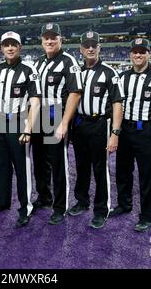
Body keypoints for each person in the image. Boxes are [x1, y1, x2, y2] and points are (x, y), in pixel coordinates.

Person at [56, 31, 124, 229]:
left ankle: (101, 210)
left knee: (100, 168)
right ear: (81, 49)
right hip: (79, 124)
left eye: (94, 45)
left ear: (100, 48)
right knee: (81, 166)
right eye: (87, 46)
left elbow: (118, 104)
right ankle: (82, 201)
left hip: (99, 124)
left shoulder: (110, 73)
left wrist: (115, 133)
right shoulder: (76, 71)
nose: (91, 48)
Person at [109, 38, 151, 232]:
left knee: (146, 175)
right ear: (130, 54)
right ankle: (124, 204)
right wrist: (115, 132)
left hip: (145, 130)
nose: (138, 55)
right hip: (124, 131)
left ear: (149, 54)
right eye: (135, 51)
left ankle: (147, 214)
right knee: (122, 171)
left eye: (142, 51)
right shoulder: (121, 77)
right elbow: (117, 106)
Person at [0, 31, 41, 227]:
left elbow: (35, 101)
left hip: (19, 123)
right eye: (6, 44)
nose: (9, 48)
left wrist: (28, 128)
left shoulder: (28, 70)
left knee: (22, 168)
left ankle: (25, 208)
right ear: (1, 48)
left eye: (13, 44)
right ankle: (2, 202)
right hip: (0, 122)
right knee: (2, 165)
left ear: (20, 47)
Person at [31, 22, 83, 225]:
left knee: (58, 164)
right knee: (39, 162)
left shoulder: (69, 61)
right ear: (42, 40)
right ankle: (44, 197)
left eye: (54, 37)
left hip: (56, 118)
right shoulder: (37, 62)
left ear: (60, 39)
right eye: (46, 38)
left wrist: (64, 123)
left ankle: (60, 206)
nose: (50, 41)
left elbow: (75, 93)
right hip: (38, 118)